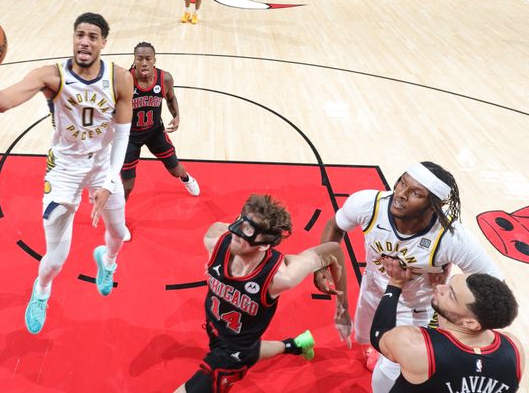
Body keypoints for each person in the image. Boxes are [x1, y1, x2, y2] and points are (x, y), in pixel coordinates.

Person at [0, 12, 132, 335]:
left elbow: (123, 135)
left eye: (93, 37)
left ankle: (107, 261)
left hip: (101, 166)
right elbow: (5, 100)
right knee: (55, 260)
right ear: (73, 38)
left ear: (104, 43)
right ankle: (41, 289)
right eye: (80, 34)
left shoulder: (120, 78)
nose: (84, 41)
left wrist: (110, 182)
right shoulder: (50, 76)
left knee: (119, 232)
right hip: (64, 170)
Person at [314, 161, 503, 393]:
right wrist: (322, 264)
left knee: (389, 374)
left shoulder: (452, 237)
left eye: (415, 193)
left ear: (435, 204)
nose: (401, 194)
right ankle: (377, 350)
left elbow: (494, 284)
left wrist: (451, 287)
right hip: (373, 289)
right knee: (365, 337)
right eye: (402, 182)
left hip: (415, 310)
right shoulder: (368, 204)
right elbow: (335, 226)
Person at [175, 194, 351, 392]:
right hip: (215, 328)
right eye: (240, 222)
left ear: (265, 245)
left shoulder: (281, 277)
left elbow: (334, 250)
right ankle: (295, 345)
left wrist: (342, 306)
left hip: (234, 353)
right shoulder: (215, 238)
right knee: (252, 350)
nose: (237, 232)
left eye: (248, 230)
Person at [370, 259, 523, 392]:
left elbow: (379, 334)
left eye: (451, 294)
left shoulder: (416, 345)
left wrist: (395, 285)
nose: (439, 288)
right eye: (449, 284)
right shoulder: (514, 350)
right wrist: (439, 287)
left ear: (470, 322)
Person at [121, 42, 199, 202]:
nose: (144, 63)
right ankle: (118, 218)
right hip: (130, 136)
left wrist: (176, 115)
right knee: (127, 185)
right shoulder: (125, 80)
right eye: (139, 58)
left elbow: (171, 99)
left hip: (154, 132)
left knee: (175, 170)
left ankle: (186, 178)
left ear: (154, 60)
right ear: (134, 60)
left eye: (148, 58)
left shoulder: (165, 78)